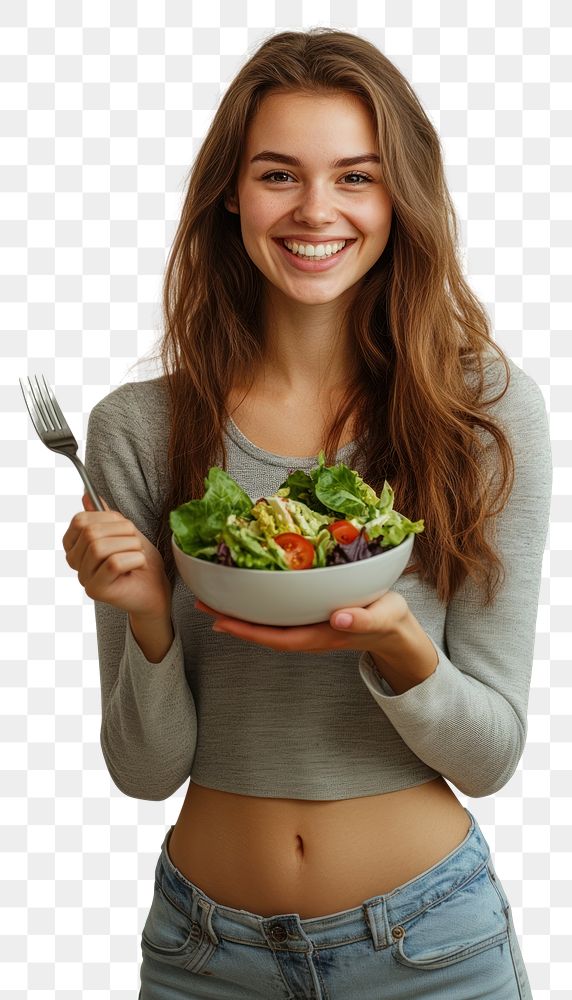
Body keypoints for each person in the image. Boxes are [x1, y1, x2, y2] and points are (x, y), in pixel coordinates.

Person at [62, 27, 551, 999]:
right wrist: (150, 616)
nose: (315, 209)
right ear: (229, 195)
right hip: (205, 953)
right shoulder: (137, 429)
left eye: (354, 177)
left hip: (428, 946)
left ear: (398, 198)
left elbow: (491, 752)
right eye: (278, 174)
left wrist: (401, 650)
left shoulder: (481, 413)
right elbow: (142, 771)